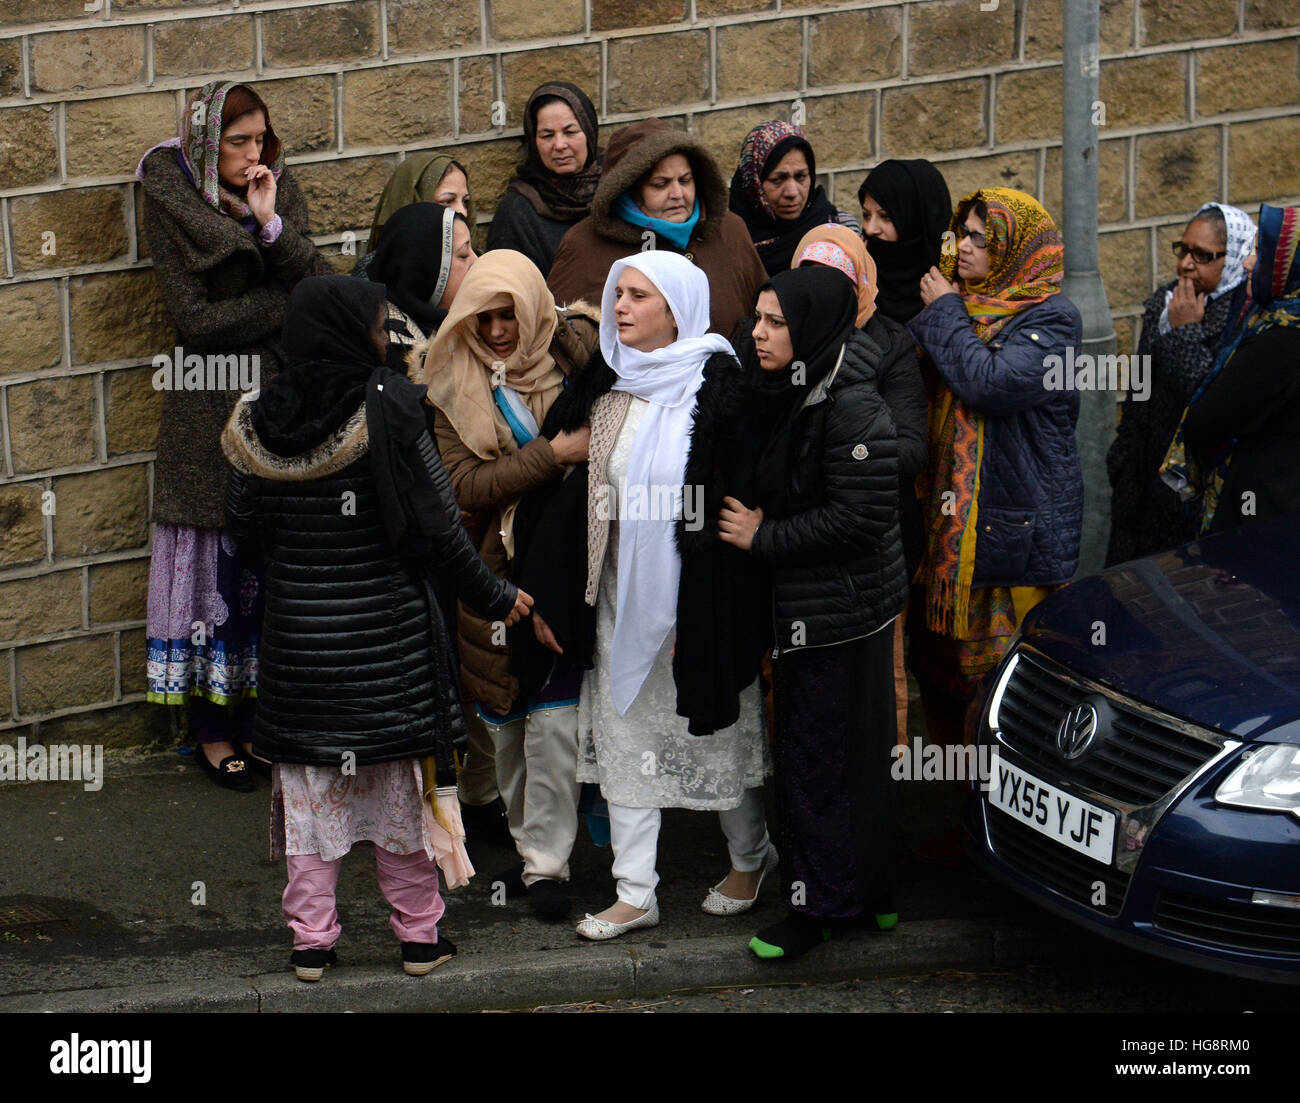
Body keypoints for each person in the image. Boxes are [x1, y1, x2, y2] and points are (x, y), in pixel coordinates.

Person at [222, 276, 532, 981]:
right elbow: (442, 531)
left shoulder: (255, 417)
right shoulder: (392, 406)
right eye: (374, 323)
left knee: (310, 813)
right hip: (388, 658)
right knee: (398, 803)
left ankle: (311, 945)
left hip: (298, 658)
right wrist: (496, 596)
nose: (384, 333)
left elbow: (242, 531)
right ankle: (420, 940)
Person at [537, 251, 772, 939]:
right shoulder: (607, 383)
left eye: (639, 296)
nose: (621, 308)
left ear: (677, 308)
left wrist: (703, 589)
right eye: (618, 295)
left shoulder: (721, 383)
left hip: (700, 597)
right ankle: (636, 891)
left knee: (718, 733)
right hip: (620, 595)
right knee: (626, 733)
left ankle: (752, 858)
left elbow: (732, 491)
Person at [139, 80, 329, 792]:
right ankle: (213, 729)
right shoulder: (172, 202)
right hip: (203, 407)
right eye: (236, 142)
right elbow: (194, 320)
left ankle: (264, 719)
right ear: (205, 144)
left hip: (279, 402)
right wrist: (282, 303)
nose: (252, 155)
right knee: (213, 563)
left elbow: (315, 280)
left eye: (259, 140)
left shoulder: (279, 192)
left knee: (268, 563)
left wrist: (271, 228)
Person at [719, 266, 908, 959]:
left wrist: (762, 536)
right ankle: (872, 893)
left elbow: (860, 517)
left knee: (820, 765)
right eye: (758, 319)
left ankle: (817, 909)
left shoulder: (850, 404)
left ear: (813, 329)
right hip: (828, 609)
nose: (758, 333)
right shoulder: (795, 384)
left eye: (775, 322)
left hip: (840, 614)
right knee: (848, 761)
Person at [423, 250, 600, 918]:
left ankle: (547, 865)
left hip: (567, 562)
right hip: (493, 577)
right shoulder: (448, 379)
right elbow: (464, 485)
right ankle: (529, 842)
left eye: (509, 314)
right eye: (483, 315)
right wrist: (551, 456)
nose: (497, 330)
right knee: (508, 723)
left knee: (557, 722)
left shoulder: (577, 355)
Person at [905, 188, 1084, 746]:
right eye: (962, 234)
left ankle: (1007, 809)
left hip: (1010, 542)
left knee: (1004, 695)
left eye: (982, 238)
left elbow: (991, 383)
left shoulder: (1053, 320)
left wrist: (943, 313)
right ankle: (958, 810)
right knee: (941, 680)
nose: (965, 247)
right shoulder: (960, 304)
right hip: (947, 535)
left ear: (1016, 248)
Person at [790, 224, 926, 748]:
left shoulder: (888, 344)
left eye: (835, 284)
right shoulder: (777, 334)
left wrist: (840, 455)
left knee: (872, 681)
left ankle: (875, 799)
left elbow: (913, 449)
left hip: (869, 543)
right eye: (809, 281)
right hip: (795, 546)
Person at [1105, 202, 1256, 564]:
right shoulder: (1166, 303)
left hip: (1190, 492)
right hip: (1141, 484)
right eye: (1184, 250)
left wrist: (1186, 331)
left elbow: (1209, 401)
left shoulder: (1244, 317)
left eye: (1203, 255)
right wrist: (1122, 457)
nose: (1186, 264)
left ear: (1231, 258)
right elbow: (1140, 387)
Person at [547, 118, 767, 337]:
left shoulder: (729, 230)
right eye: (660, 184)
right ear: (628, 190)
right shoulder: (585, 245)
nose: (678, 195)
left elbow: (764, 316)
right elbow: (562, 339)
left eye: (685, 180)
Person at [1162, 203, 1300, 535]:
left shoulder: (1281, 341)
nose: (1249, 263)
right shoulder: (1266, 322)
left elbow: (1208, 420)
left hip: (1261, 515)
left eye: (1260, 253)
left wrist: (1185, 337)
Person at [486, 82, 603, 277]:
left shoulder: (615, 188)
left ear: (589, 133)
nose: (559, 145)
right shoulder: (518, 213)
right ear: (534, 141)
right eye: (547, 135)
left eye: (570, 132)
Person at [728, 119, 858, 277]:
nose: (792, 192)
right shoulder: (728, 237)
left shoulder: (841, 231)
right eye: (777, 179)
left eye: (801, 177)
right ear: (753, 184)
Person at [365, 201, 477, 370]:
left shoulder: (477, 320)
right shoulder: (393, 351)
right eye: (463, 255)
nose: (477, 262)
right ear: (424, 269)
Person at [858, 158, 953, 324]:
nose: (870, 229)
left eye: (885, 217)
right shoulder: (859, 275)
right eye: (866, 215)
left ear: (916, 219)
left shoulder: (954, 283)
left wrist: (947, 307)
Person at [354, 152, 474, 278]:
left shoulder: (477, 260)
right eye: (447, 201)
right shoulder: (375, 274)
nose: (463, 212)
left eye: (465, 202)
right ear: (415, 201)